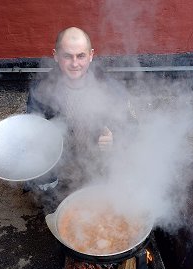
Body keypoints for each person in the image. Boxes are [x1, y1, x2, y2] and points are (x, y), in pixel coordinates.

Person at [25, 27, 134, 211]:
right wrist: (43, 140)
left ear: (91, 55)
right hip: (59, 163)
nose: (75, 63)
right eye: (67, 56)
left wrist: (115, 137)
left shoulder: (110, 88)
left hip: (96, 161)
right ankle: (52, 198)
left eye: (81, 56)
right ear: (56, 55)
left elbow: (132, 128)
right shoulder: (41, 89)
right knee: (47, 195)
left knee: (113, 200)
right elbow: (31, 130)